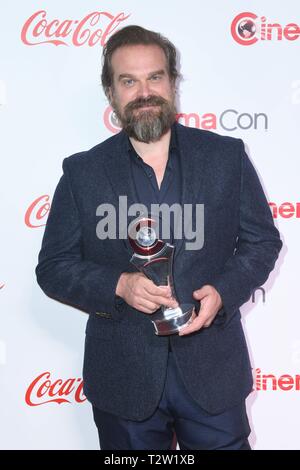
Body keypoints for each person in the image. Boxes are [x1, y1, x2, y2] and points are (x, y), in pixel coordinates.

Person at [36, 25, 282, 450]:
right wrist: (118, 285)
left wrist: (224, 292)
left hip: (213, 373)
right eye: (128, 81)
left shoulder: (226, 157)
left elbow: (262, 242)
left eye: (155, 77)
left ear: (173, 82)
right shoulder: (82, 172)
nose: (145, 91)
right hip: (124, 377)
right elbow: (54, 267)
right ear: (110, 91)